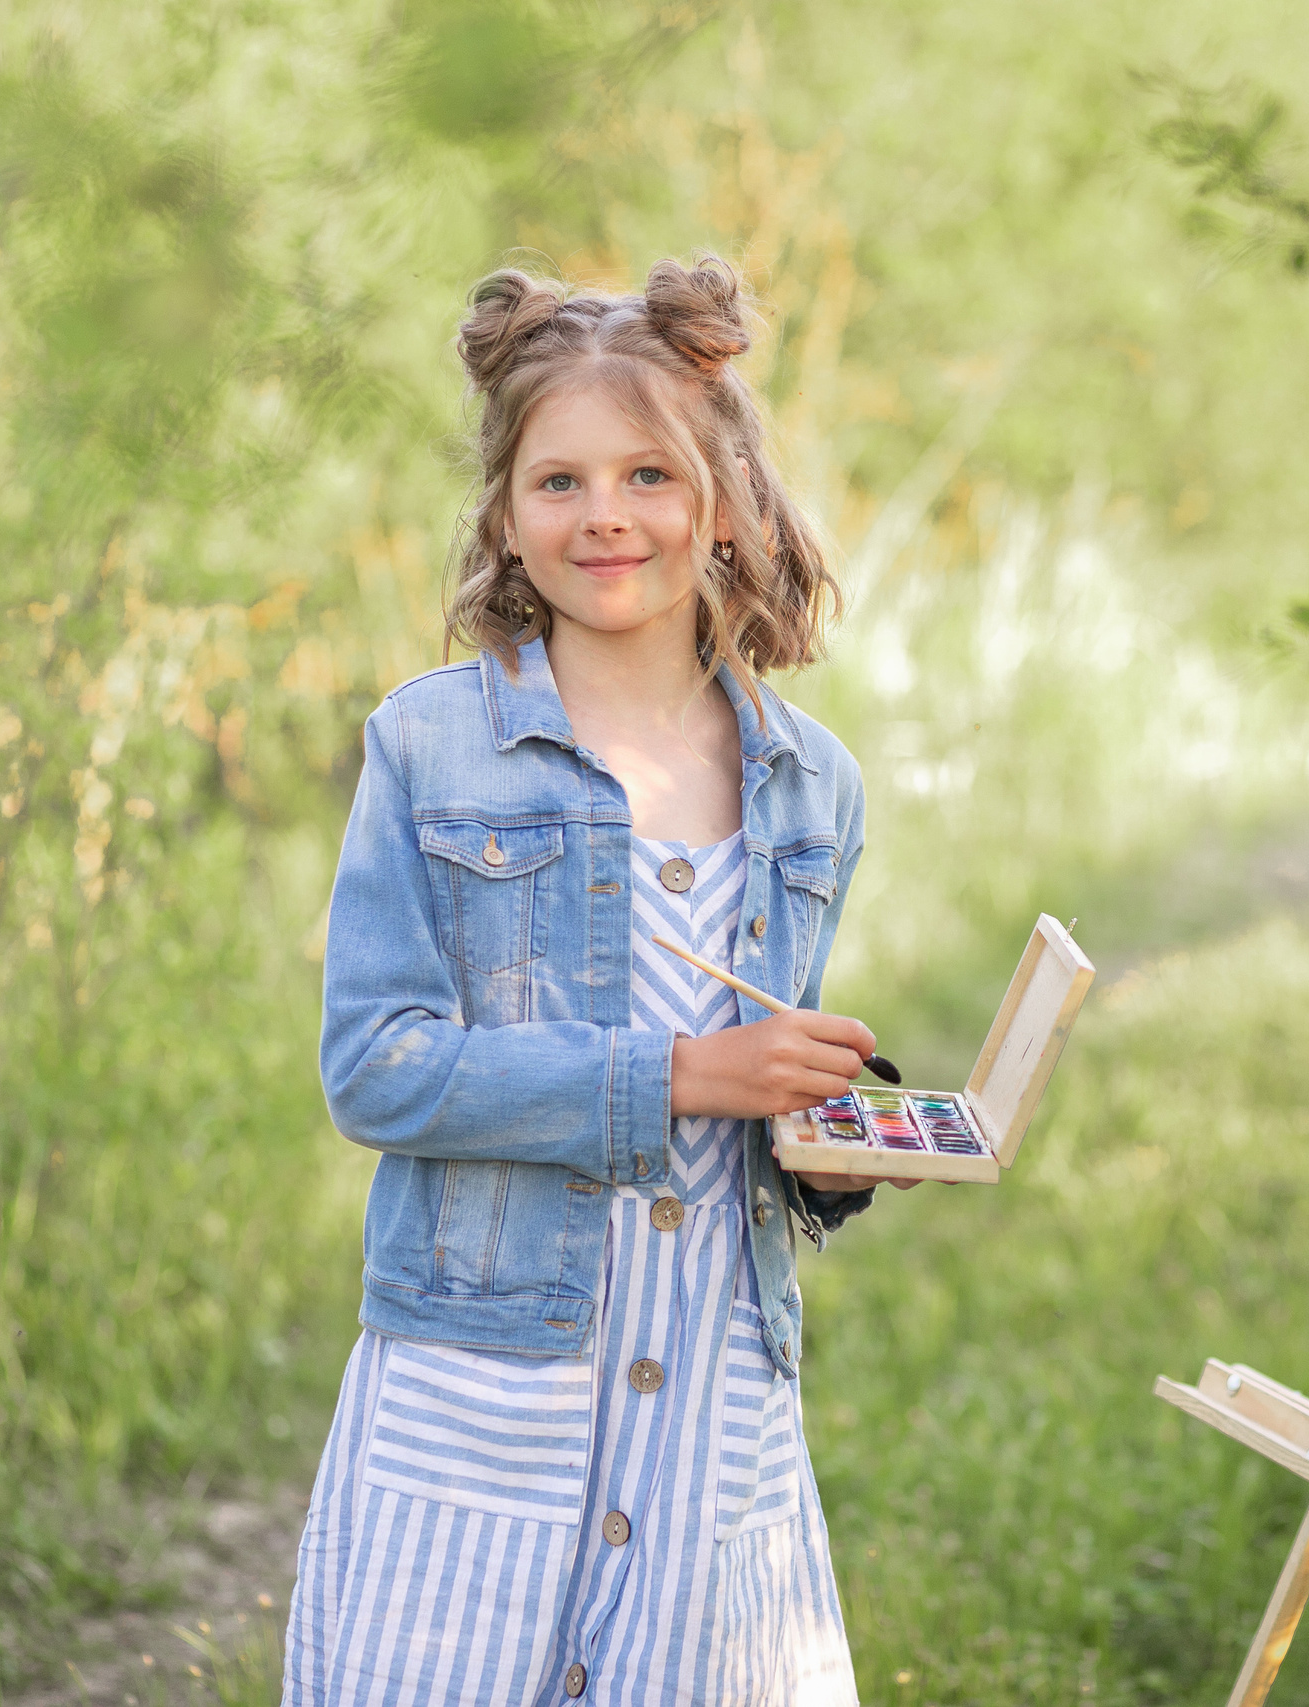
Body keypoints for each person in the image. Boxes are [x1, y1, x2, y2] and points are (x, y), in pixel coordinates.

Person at [286, 254, 890, 1707]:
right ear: (505, 514)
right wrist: (678, 1078)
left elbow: (755, 1109)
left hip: (710, 1380)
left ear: (724, 500)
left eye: (648, 476)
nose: (605, 515)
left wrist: (830, 1143)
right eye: (558, 482)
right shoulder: (430, 751)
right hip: (491, 1374)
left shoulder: (814, 786)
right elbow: (377, 1066)